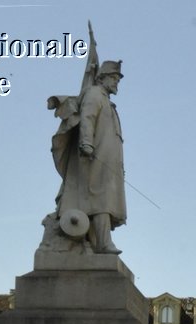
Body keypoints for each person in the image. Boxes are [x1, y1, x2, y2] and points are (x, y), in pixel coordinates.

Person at [55, 61, 126, 255]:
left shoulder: (107, 100)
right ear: (101, 77)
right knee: (101, 199)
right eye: (113, 78)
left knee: (106, 199)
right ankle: (103, 243)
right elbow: (87, 118)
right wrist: (86, 142)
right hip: (96, 156)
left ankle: (97, 241)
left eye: (117, 79)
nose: (116, 82)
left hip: (109, 160)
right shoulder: (95, 94)